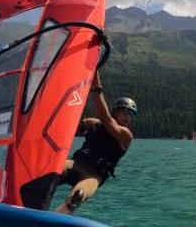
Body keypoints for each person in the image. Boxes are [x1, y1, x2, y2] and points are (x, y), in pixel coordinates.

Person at [55, 71, 136, 214]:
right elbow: (68, 127)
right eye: (125, 112)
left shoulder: (125, 136)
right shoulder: (93, 123)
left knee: (77, 197)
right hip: (75, 164)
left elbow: (105, 118)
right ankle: (25, 203)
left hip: (92, 176)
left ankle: (51, 224)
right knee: (47, 171)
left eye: (131, 114)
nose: (128, 117)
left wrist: (97, 87)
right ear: (116, 111)